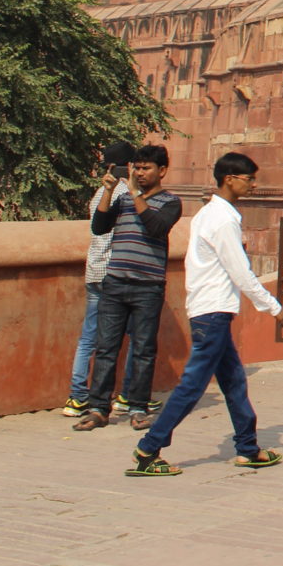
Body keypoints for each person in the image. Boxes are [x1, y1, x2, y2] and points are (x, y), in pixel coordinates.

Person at [125, 152, 283, 477]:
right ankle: (149, 447)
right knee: (192, 386)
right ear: (230, 178)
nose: (253, 185)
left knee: (234, 382)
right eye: (249, 179)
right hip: (213, 310)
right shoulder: (223, 219)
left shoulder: (207, 213)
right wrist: (273, 307)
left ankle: (248, 447)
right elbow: (240, 271)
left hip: (208, 308)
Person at [75, 144, 181, 431]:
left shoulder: (170, 202)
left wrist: (134, 194)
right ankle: (98, 408)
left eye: (146, 168)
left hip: (148, 286)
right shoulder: (121, 200)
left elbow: (156, 228)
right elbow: (99, 227)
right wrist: (109, 192)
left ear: (162, 171)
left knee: (144, 349)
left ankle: (138, 406)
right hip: (115, 282)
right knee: (106, 348)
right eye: (137, 168)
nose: (140, 173)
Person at [63, 141, 137, 417]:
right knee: (134, 335)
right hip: (114, 273)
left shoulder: (99, 193)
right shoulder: (125, 193)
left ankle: (77, 396)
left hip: (94, 271)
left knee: (89, 338)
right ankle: (128, 395)